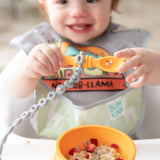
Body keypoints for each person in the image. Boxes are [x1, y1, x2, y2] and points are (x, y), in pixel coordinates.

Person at [0, 0, 151, 139]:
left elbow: (155, 83)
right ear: (45, 5)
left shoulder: (126, 45)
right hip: (51, 144)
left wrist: (152, 64)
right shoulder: (39, 45)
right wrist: (28, 70)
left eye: (91, 0)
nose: (77, 12)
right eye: (63, 1)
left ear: (112, 2)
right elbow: (14, 91)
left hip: (120, 143)